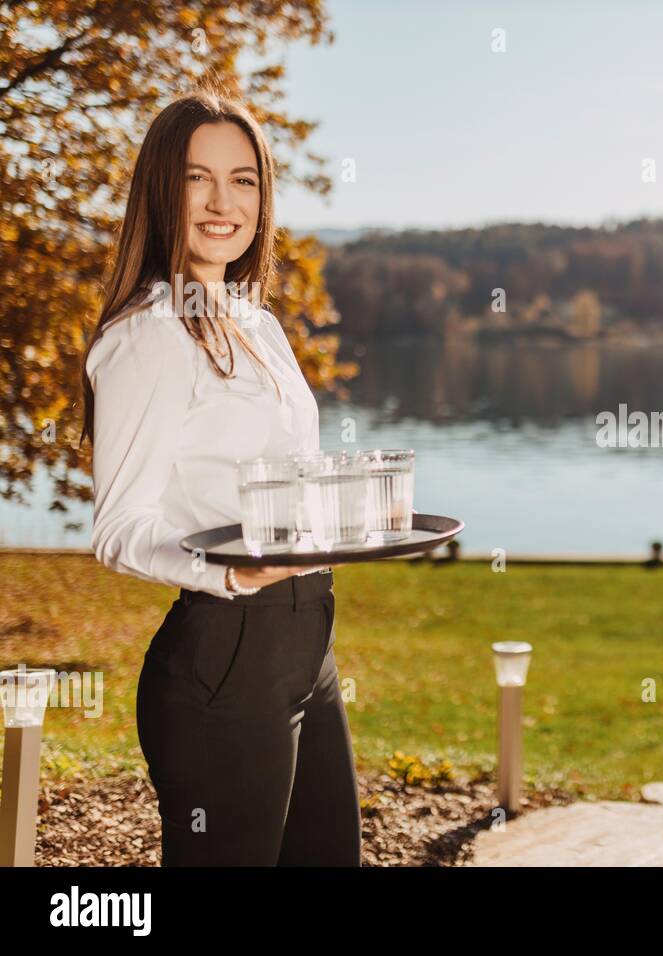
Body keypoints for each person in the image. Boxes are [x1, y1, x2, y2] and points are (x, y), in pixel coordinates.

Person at [80, 91, 361, 865]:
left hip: (308, 647)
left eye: (244, 180)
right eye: (197, 178)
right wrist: (231, 575)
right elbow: (118, 531)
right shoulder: (148, 337)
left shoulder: (258, 322)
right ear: (161, 191)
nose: (221, 202)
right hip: (224, 661)